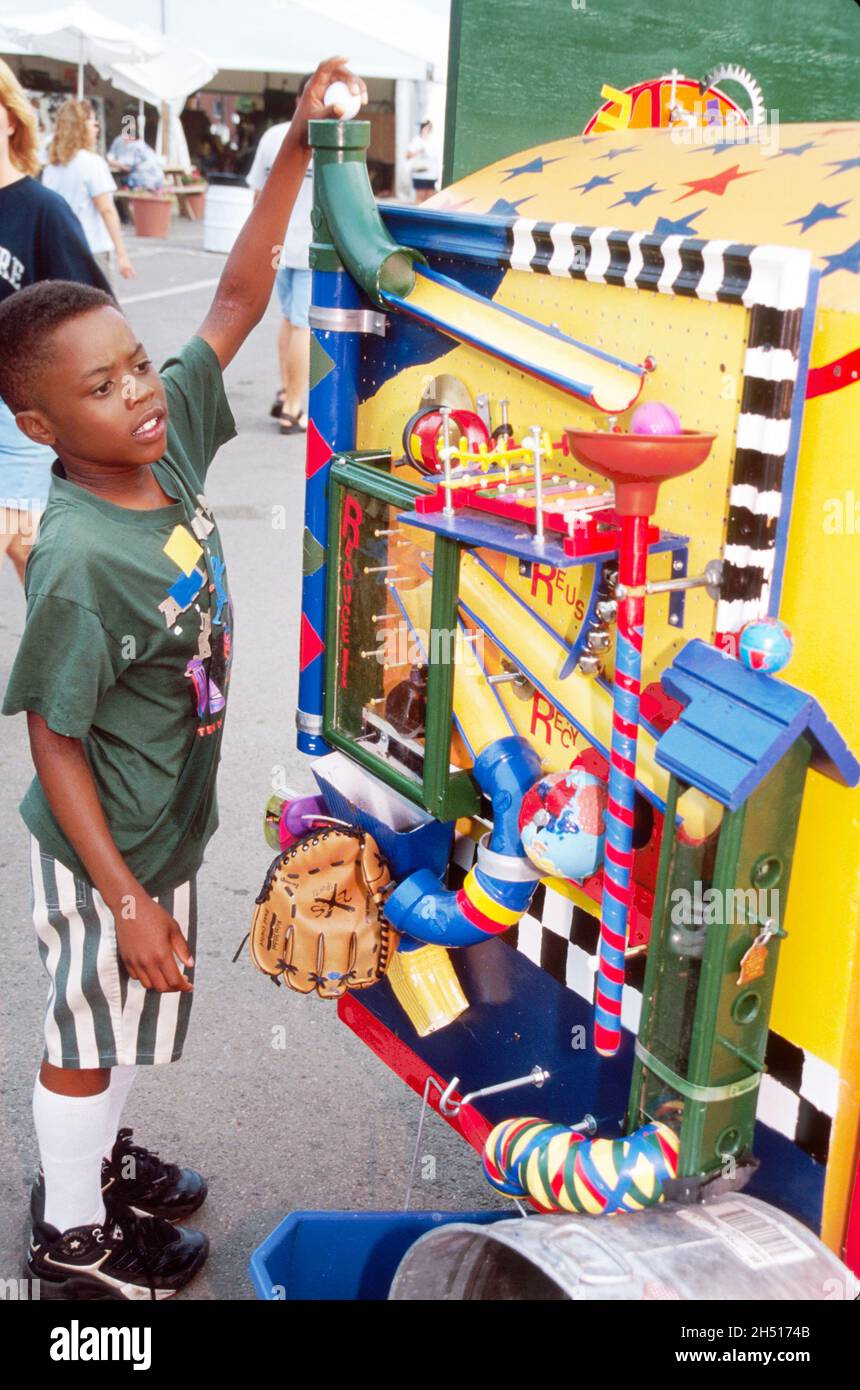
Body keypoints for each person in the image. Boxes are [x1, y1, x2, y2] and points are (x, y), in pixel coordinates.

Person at [0, 56, 367, 1302]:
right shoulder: (78, 560)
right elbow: (53, 740)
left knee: (127, 1027)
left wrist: (293, 150)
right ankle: (70, 1239)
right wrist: (124, 900)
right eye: (99, 390)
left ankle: (96, 1162)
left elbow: (240, 290)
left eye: (136, 366)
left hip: (158, 819)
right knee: (85, 1030)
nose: (139, 395)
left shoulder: (171, 439)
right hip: (101, 844)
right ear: (42, 428)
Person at [0, 59, 112, 585]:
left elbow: (94, 312)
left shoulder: (42, 209)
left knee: (23, 541)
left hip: (19, 410)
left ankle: (62, 657)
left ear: (10, 119)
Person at [246, 77, 315, 435]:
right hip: (310, 246)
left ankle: (286, 390)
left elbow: (257, 195)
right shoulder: (328, 140)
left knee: (289, 318)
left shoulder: (274, 135)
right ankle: (293, 405)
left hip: (276, 244)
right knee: (302, 323)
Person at [42, 98, 136, 289]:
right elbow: (107, 210)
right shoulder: (92, 163)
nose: (97, 128)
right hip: (94, 248)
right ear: (81, 127)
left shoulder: (52, 167)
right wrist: (122, 254)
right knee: (103, 310)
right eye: (93, 123)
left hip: (61, 251)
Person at [406, 119, 439, 203]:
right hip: (419, 173)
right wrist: (418, 151)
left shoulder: (433, 141)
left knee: (429, 200)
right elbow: (408, 155)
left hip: (431, 174)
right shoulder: (416, 140)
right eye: (425, 127)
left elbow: (435, 158)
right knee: (419, 199)